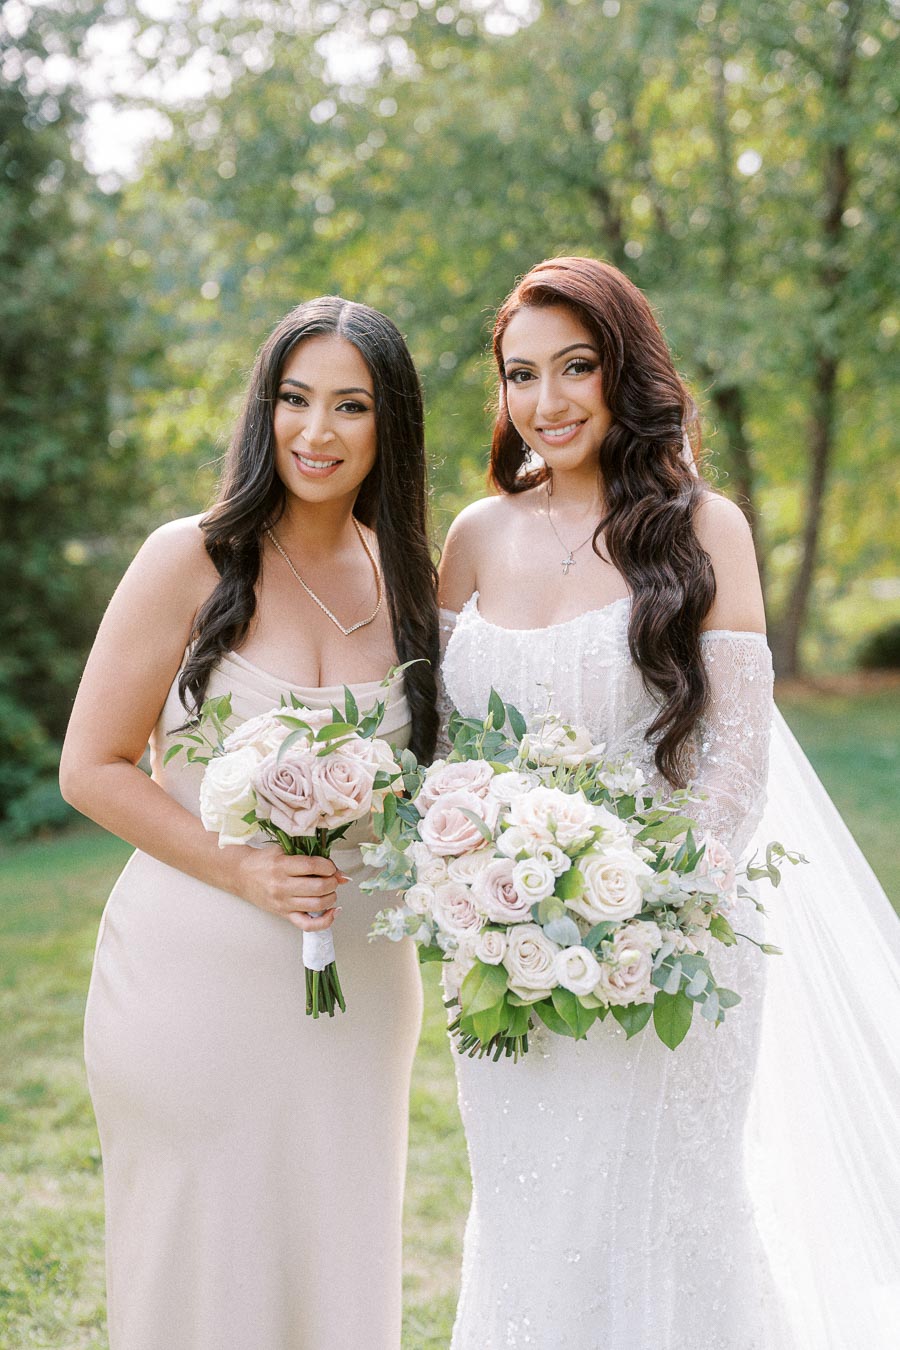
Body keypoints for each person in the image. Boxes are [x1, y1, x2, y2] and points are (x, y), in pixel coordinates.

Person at [438, 256, 900, 1349]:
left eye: (575, 367)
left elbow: (735, 766)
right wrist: (487, 896)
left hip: (670, 950)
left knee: (660, 1221)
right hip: (502, 959)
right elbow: (449, 751)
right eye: (520, 375)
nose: (545, 402)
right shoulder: (471, 537)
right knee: (531, 1221)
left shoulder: (705, 528)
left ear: (624, 370)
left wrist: (631, 915)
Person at [60, 296, 439, 1350]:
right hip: (193, 979)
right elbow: (89, 767)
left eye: (350, 406)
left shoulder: (413, 582)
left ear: (390, 425)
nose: (316, 432)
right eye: (295, 398)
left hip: (359, 981)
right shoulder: (189, 557)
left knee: (338, 1250)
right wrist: (242, 872)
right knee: (203, 1266)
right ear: (264, 409)